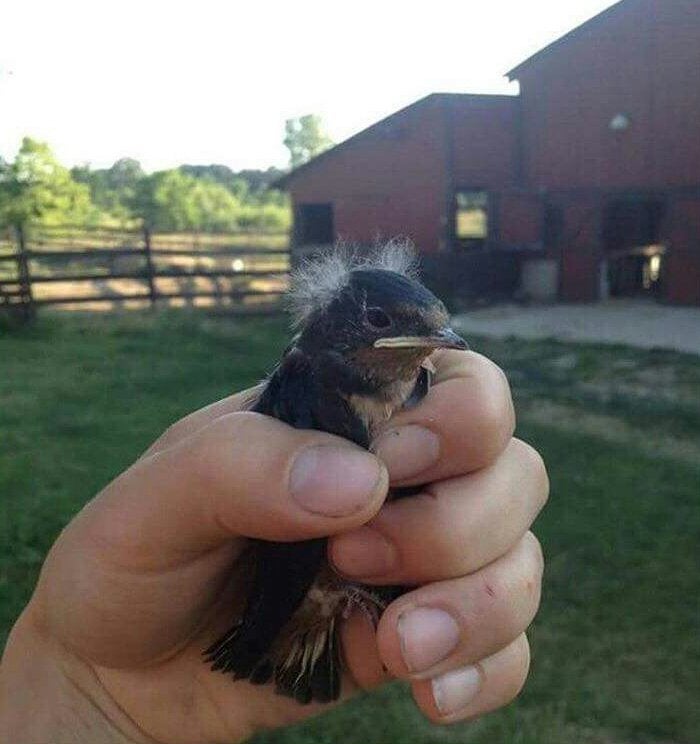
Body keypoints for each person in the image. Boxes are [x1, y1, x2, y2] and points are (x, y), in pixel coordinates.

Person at [0, 349, 548, 743]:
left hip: (328, 578)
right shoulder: (312, 379)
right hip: (293, 569)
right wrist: (84, 692)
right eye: (389, 326)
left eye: (431, 337)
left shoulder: (412, 384)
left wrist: (86, 698)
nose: (428, 345)